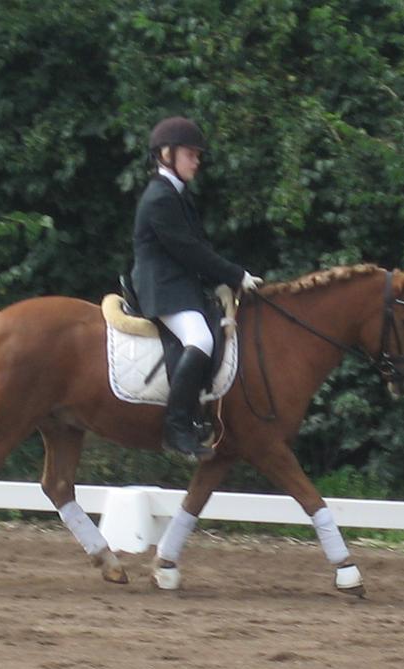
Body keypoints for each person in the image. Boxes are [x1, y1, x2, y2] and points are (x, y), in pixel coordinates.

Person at [131, 116, 263, 461]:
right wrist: (236, 275)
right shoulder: (160, 197)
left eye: (196, 155)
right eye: (190, 154)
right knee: (200, 340)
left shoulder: (178, 195)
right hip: (162, 288)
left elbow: (197, 246)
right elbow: (188, 251)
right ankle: (177, 427)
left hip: (181, 286)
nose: (197, 161)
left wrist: (220, 279)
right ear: (166, 154)